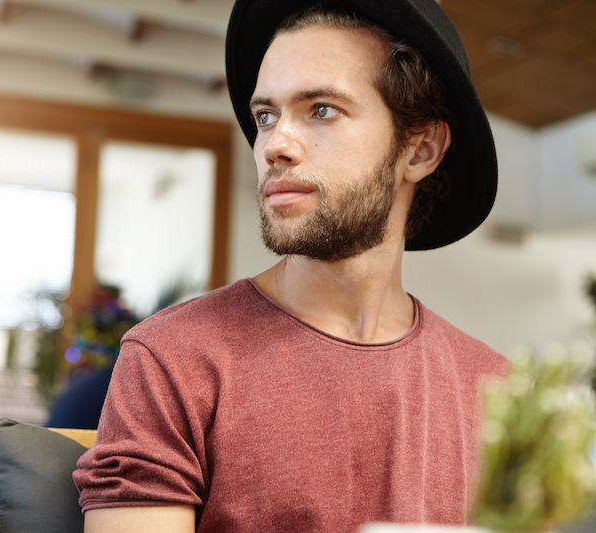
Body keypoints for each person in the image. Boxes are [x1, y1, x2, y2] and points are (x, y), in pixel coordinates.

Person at [73, 0, 510, 531]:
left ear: (419, 150)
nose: (275, 144)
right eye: (266, 116)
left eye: (321, 109)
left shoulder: (497, 391)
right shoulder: (173, 359)